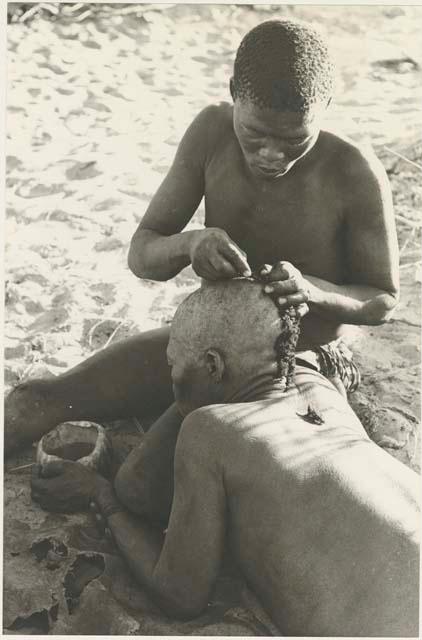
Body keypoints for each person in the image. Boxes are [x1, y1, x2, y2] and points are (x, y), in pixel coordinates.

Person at [5, 18, 399, 498]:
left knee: (148, 488)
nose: (273, 155)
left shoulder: (353, 172)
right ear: (234, 93)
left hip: (298, 359)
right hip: (206, 349)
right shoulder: (211, 134)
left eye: (294, 140)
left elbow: (381, 299)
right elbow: (143, 254)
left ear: (327, 108)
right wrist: (190, 244)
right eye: (255, 135)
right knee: (33, 403)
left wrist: (312, 290)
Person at [31, 279, 419, 637]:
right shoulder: (326, 398)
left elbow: (180, 595)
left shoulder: (209, 429)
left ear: (213, 366)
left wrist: (102, 496)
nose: (170, 378)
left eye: (172, 365)